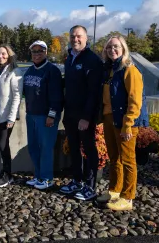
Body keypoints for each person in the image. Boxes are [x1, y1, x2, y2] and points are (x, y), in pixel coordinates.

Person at [96, 35, 147, 211]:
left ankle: (128, 196)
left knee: (128, 160)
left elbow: (135, 101)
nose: (112, 50)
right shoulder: (109, 70)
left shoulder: (130, 70)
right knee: (114, 158)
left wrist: (128, 124)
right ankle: (115, 191)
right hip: (110, 119)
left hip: (126, 121)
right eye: (109, 47)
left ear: (123, 49)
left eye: (116, 47)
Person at [60, 25, 104, 201]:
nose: (75, 39)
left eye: (79, 36)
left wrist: (86, 117)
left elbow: (94, 92)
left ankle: (90, 186)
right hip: (70, 113)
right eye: (72, 36)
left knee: (89, 149)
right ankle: (76, 180)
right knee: (74, 149)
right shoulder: (69, 58)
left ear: (86, 39)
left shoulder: (92, 60)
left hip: (84, 116)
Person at [23, 40, 64, 190]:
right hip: (31, 114)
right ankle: (38, 175)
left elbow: (57, 96)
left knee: (46, 147)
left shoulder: (52, 70)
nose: (37, 54)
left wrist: (51, 115)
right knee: (33, 147)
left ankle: (47, 178)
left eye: (40, 51)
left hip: (46, 116)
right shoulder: (29, 70)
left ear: (46, 52)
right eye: (34, 51)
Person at [0, 45, 23, 187]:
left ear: (9, 54)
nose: (0, 56)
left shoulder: (15, 72)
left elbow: (17, 96)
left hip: (7, 116)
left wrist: (11, 117)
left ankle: (8, 174)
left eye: (3, 54)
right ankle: (5, 171)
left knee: (3, 145)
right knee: (0, 144)